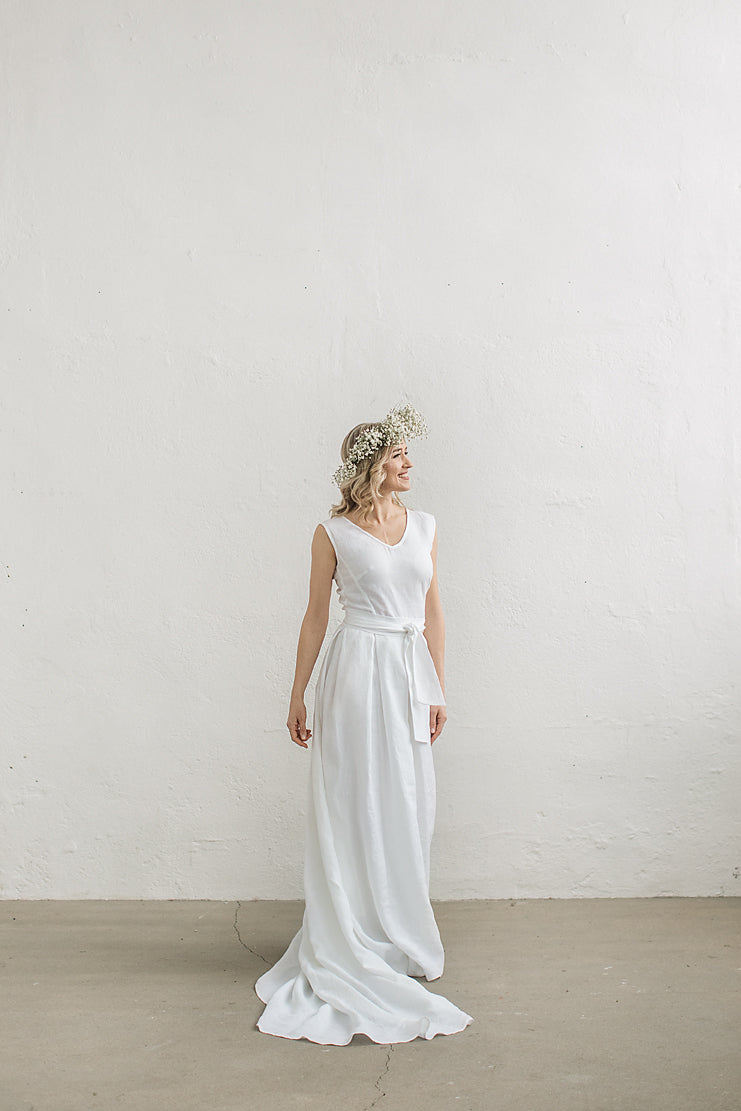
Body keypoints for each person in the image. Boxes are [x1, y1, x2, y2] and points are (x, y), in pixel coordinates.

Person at [254, 403, 474, 1045]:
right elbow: (316, 618)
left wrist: (436, 687)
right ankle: (348, 932)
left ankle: (398, 932)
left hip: (408, 675)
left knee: (408, 802)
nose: (411, 465)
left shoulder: (426, 525)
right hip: (353, 675)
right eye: (400, 455)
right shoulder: (332, 534)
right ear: (374, 465)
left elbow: (433, 614)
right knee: (352, 804)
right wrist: (298, 693)